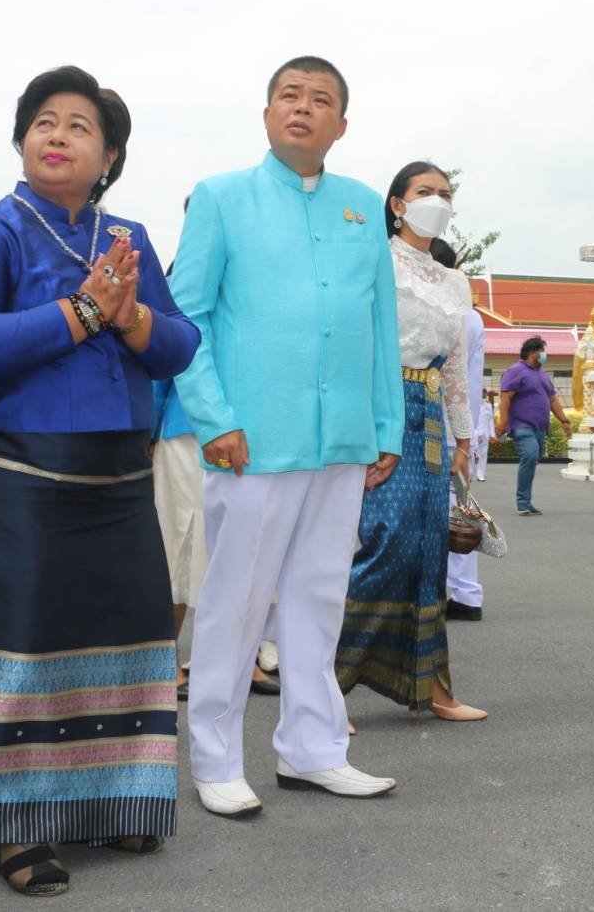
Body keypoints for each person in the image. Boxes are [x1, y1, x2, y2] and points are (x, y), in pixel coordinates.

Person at [0, 66, 199, 896]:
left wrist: (132, 315)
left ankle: (109, 798)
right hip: (8, 469)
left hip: (115, 469)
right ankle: (10, 822)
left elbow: (178, 346)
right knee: (18, 642)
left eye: (79, 126)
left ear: (109, 157)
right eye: (44, 121)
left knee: (116, 632)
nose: (57, 135)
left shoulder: (127, 235)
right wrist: (84, 312)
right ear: (22, 140)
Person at [171, 55, 402, 819]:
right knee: (235, 602)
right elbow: (186, 316)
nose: (302, 107)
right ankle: (215, 757)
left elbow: (379, 323)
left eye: (320, 99)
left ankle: (312, 749)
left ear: (341, 123)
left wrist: (384, 425)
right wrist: (214, 418)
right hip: (253, 441)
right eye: (289, 95)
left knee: (319, 596)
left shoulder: (362, 205)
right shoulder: (221, 197)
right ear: (267, 113)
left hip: (342, 439)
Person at [336, 163, 485, 721]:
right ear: (398, 205)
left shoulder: (454, 280)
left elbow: (455, 366)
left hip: (430, 416)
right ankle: (328, 691)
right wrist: (362, 424)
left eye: (445, 193)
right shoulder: (375, 260)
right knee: (383, 541)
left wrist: (464, 437)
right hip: (383, 404)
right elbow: (354, 343)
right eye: (425, 192)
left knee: (428, 545)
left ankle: (433, 686)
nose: (437, 201)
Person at [152, 250, 280, 703]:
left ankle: (238, 660)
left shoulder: (261, 282)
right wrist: (147, 432)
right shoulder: (179, 283)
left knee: (242, 547)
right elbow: (161, 363)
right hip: (186, 433)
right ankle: (163, 662)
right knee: (180, 548)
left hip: (252, 436)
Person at [435, 236, 487, 621]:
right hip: (458, 428)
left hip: (423, 424)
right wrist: (466, 439)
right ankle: (467, 592)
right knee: (459, 510)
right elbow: (471, 380)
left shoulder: (437, 309)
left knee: (425, 511)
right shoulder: (472, 317)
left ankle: (428, 591)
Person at [496, 336, 572, 515]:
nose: (544, 354)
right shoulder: (515, 371)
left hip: (540, 428)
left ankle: (527, 501)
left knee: (531, 461)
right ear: (531, 352)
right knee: (529, 457)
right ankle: (522, 502)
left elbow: (553, 400)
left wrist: (565, 421)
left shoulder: (543, 375)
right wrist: (503, 422)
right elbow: (505, 398)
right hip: (522, 426)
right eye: (541, 351)